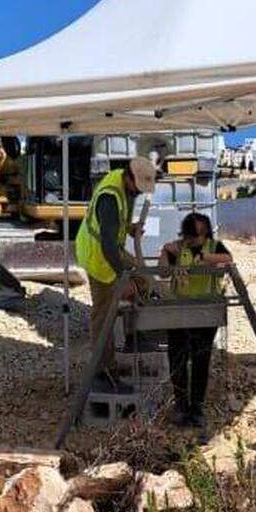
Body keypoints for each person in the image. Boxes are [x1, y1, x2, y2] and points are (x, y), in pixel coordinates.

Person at [75, 155, 157, 383]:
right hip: (98, 256)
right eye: (137, 187)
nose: (138, 193)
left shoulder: (122, 184)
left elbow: (113, 227)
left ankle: (134, 333)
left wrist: (130, 228)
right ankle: (103, 370)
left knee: (145, 280)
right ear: (129, 177)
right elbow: (108, 244)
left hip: (111, 248)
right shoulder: (110, 197)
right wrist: (123, 279)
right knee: (103, 315)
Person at [159, 211, 232, 428]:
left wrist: (204, 258)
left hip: (205, 313)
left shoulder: (214, 247)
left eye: (197, 237)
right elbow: (163, 272)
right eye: (189, 237)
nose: (192, 242)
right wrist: (164, 251)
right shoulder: (177, 248)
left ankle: (197, 408)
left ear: (206, 234)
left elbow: (227, 260)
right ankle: (180, 405)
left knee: (201, 361)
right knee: (178, 360)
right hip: (179, 313)